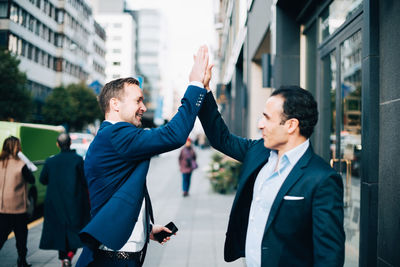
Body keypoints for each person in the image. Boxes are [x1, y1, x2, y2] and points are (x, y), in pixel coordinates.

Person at [76, 45, 210, 267]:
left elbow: (117, 194)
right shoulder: (116, 134)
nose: (143, 107)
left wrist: (147, 229)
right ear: (115, 104)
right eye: (138, 100)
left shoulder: (112, 137)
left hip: (122, 254)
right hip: (115, 259)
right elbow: (173, 135)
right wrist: (195, 84)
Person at [199, 68, 345, 266]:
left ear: (291, 125)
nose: (260, 124)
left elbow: (329, 256)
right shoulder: (258, 151)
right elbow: (221, 138)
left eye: (267, 118)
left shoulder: (322, 179)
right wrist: (204, 90)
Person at [39, 133, 90, 267]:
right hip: (74, 202)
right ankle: (69, 256)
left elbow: (42, 180)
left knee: (59, 232)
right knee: (75, 232)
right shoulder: (78, 160)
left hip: (55, 203)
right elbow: (85, 180)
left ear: (57, 144)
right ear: (70, 144)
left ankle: (64, 259)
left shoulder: (50, 161)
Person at [0, 136, 35, 267]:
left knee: (1, 234)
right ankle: (22, 260)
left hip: (1, 207)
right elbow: (31, 180)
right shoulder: (21, 164)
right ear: (16, 147)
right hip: (17, 207)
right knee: (21, 236)